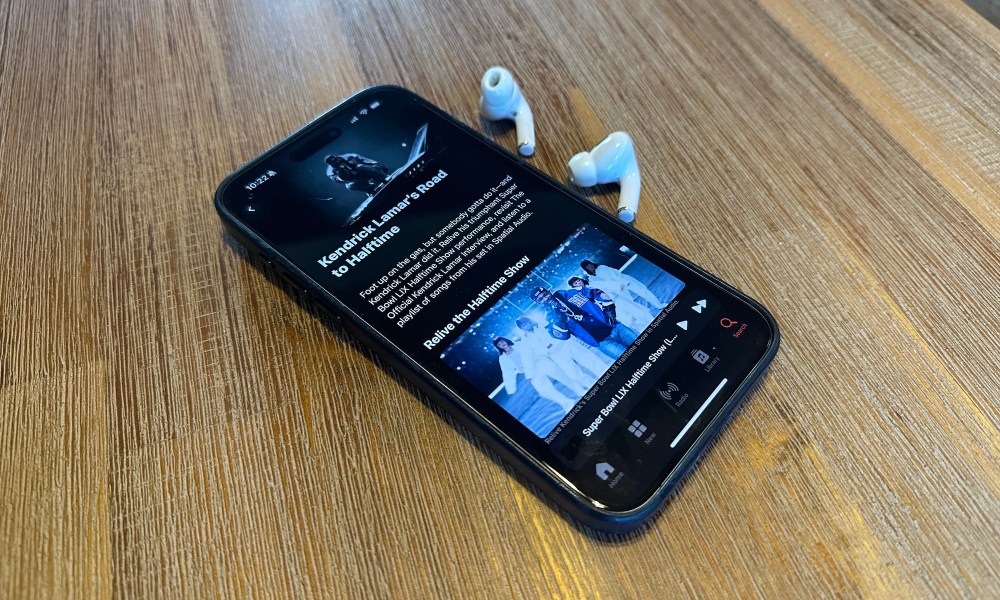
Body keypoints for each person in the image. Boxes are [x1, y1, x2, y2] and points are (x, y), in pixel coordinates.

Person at [530, 286, 639, 359]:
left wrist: (609, 311)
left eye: (545, 294)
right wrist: (557, 315)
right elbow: (562, 336)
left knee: (645, 346)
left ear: (549, 291)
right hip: (602, 342)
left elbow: (596, 292)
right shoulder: (549, 319)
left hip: (616, 327)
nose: (545, 298)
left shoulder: (570, 293)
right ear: (539, 303)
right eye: (541, 299)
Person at [515, 316, 606, 386]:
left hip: (565, 344)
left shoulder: (543, 322)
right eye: (523, 325)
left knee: (588, 359)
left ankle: (605, 373)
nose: (526, 325)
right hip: (555, 355)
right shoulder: (526, 339)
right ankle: (593, 385)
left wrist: (553, 343)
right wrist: (530, 373)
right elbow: (528, 356)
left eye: (526, 322)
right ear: (521, 328)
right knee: (574, 374)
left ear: (529, 320)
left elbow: (559, 331)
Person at [493, 337, 578, 411]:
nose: (502, 344)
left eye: (502, 341)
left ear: (505, 340)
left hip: (540, 362)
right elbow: (507, 372)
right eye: (499, 344)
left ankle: (580, 390)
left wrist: (546, 350)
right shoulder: (503, 358)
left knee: (562, 377)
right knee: (544, 391)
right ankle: (567, 403)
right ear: (498, 347)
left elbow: (535, 348)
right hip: (530, 373)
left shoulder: (519, 344)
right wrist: (511, 388)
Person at [568, 275, 649, 331]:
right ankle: (640, 329)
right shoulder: (581, 294)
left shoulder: (591, 284)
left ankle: (649, 321)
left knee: (637, 311)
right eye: (576, 283)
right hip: (607, 307)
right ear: (574, 286)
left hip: (616, 300)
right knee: (626, 320)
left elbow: (606, 284)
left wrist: (617, 286)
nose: (579, 283)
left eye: (578, 280)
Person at [581, 259, 666, 311]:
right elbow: (603, 287)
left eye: (590, 264)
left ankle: (659, 305)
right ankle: (646, 312)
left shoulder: (601, 268)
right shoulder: (592, 279)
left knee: (643, 291)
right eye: (587, 266)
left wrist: (624, 282)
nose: (590, 266)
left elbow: (615, 274)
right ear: (586, 269)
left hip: (624, 281)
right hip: (617, 290)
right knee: (630, 303)